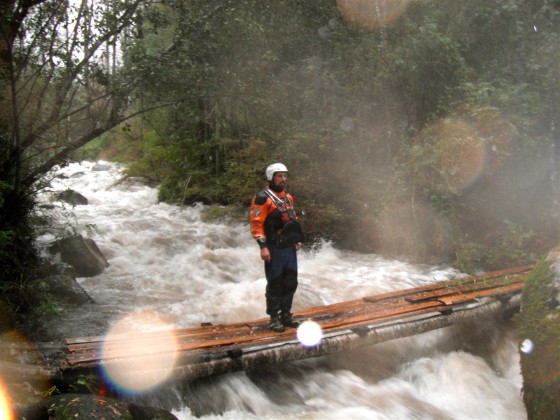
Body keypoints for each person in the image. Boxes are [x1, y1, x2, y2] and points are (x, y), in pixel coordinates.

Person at [250, 163, 305, 332]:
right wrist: (262, 246)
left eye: (284, 176)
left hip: (288, 246)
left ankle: (286, 315)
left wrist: (296, 238)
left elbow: (291, 218)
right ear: (271, 177)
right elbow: (256, 223)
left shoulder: (288, 197)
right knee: (275, 282)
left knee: (290, 281)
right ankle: (274, 318)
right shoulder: (262, 198)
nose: (283, 179)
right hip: (273, 247)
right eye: (279, 176)